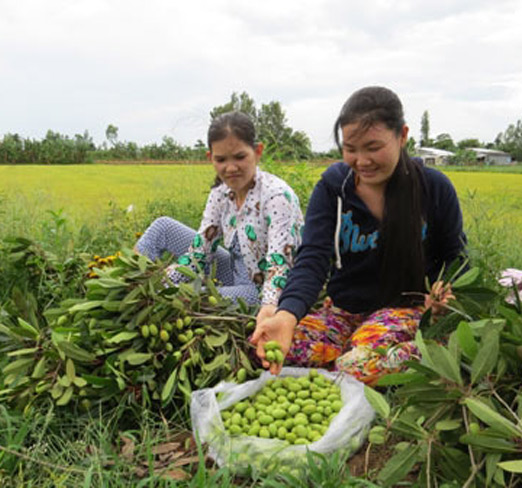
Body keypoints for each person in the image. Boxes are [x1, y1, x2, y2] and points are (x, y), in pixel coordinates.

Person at [251, 86, 467, 385]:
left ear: (402, 136)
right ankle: (351, 360)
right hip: (344, 311)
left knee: (357, 366)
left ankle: (431, 347)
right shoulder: (332, 188)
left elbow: (456, 258)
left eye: (373, 147)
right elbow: (312, 259)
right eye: (351, 149)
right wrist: (286, 315)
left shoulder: (434, 188)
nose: (361, 160)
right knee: (276, 347)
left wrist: (446, 291)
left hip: (405, 310)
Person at [135, 111, 304, 307]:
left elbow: (279, 266)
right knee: (162, 228)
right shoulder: (220, 194)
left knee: (200, 300)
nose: (231, 168)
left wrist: (269, 311)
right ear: (211, 158)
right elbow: (200, 253)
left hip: (268, 290)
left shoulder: (276, 196)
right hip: (235, 272)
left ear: (257, 152)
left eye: (240, 157)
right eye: (221, 160)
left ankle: (163, 298)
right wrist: (159, 286)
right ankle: (130, 285)